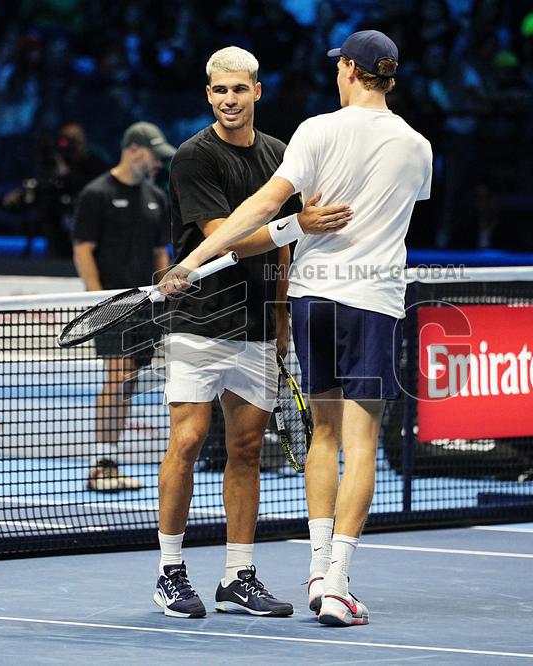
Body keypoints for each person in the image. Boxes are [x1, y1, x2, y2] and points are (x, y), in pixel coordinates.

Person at [159, 30, 432, 627]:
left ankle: (308, 570)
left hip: (311, 302)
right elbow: (397, 208)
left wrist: (187, 265)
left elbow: (262, 208)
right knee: (358, 443)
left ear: (354, 72)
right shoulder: (418, 146)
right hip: (371, 299)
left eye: (341, 67)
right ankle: (335, 581)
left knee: (318, 437)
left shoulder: (313, 131)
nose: (336, 74)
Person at [152, 46, 352, 619]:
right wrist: (295, 220)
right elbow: (226, 237)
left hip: (258, 324)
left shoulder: (279, 154)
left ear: (257, 92)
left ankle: (238, 576)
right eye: (219, 91)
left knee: (245, 450)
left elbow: (284, 246)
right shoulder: (193, 157)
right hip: (198, 320)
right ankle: (170, 571)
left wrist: (283, 309)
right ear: (208, 94)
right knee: (188, 440)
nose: (230, 100)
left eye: (239, 89)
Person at [72, 121, 175, 492]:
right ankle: (101, 465)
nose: (158, 166)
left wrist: (166, 293)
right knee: (117, 378)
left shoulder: (156, 197)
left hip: (148, 307)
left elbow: (159, 252)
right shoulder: (96, 194)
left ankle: (109, 461)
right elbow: (83, 249)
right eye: (153, 157)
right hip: (111, 305)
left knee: (127, 381)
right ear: (133, 150)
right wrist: (98, 302)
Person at [4, 122, 108, 257]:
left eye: (75, 140)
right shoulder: (52, 164)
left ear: (83, 140)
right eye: (66, 139)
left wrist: (65, 174)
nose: (70, 145)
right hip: (57, 238)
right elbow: (42, 187)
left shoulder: (94, 162)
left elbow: (88, 188)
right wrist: (21, 195)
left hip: (88, 237)